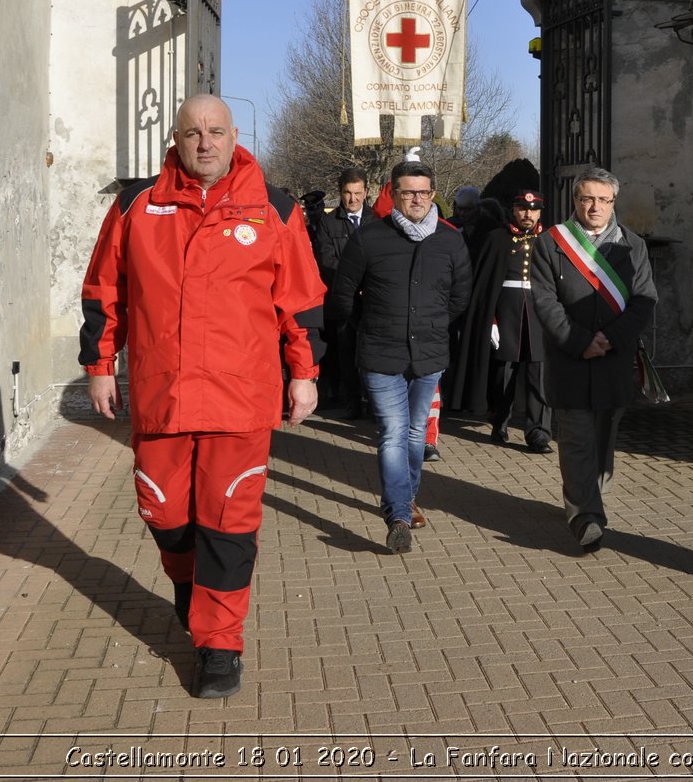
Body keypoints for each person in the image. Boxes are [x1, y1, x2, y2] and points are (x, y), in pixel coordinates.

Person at [79, 94, 324, 698]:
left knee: (228, 518)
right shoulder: (137, 205)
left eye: (216, 131)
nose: (206, 142)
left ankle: (219, 645)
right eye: (194, 133)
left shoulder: (275, 208)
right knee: (164, 512)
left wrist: (304, 372)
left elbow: (301, 301)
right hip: (163, 394)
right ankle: (190, 589)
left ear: (234, 134)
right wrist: (100, 363)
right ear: (177, 138)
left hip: (241, 400)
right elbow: (104, 289)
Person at [326, 158, 471, 553]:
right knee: (392, 432)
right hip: (380, 353)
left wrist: (434, 325)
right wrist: (370, 324)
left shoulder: (450, 239)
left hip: (428, 354)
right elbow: (342, 296)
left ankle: (406, 500)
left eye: (425, 192)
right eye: (409, 192)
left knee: (414, 432)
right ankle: (398, 516)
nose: (418, 199)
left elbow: (460, 296)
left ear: (433, 194)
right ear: (394, 195)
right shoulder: (369, 239)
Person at [530, 168, 657, 552]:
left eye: (604, 199)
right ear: (575, 201)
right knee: (576, 439)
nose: (595, 206)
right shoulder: (551, 243)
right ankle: (585, 515)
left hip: (613, 362)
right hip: (570, 359)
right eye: (587, 198)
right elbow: (545, 301)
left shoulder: (632, 245)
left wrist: (610, 339)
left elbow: (644, 300)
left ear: (614, 203)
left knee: (604, 443)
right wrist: (580, 341)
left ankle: (587, 498)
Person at [449, 189, 552, 452]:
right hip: (507, 312)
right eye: (522, 209)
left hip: (540, 314)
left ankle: (538, 432)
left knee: (538, 374)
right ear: (513, 210)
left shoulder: (550, 240)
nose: (527, 214)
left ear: (540, 212)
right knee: (503, 373)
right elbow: (486, 284)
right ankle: (499, 421)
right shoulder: (496, 238)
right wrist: (491, 320)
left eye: (533, 210)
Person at [314, 168, 370, 416]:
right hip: (342, 298)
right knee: (345, 351)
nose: (353, 199)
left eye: (358, 193)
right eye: (348, 193)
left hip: (370, 299)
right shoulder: (328, 223)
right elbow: (326, 260)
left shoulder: (376, 220)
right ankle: (352, 400)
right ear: (340, 192)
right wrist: (353, 281)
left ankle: (373, 401)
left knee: (369, 352)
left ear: (366, 192)